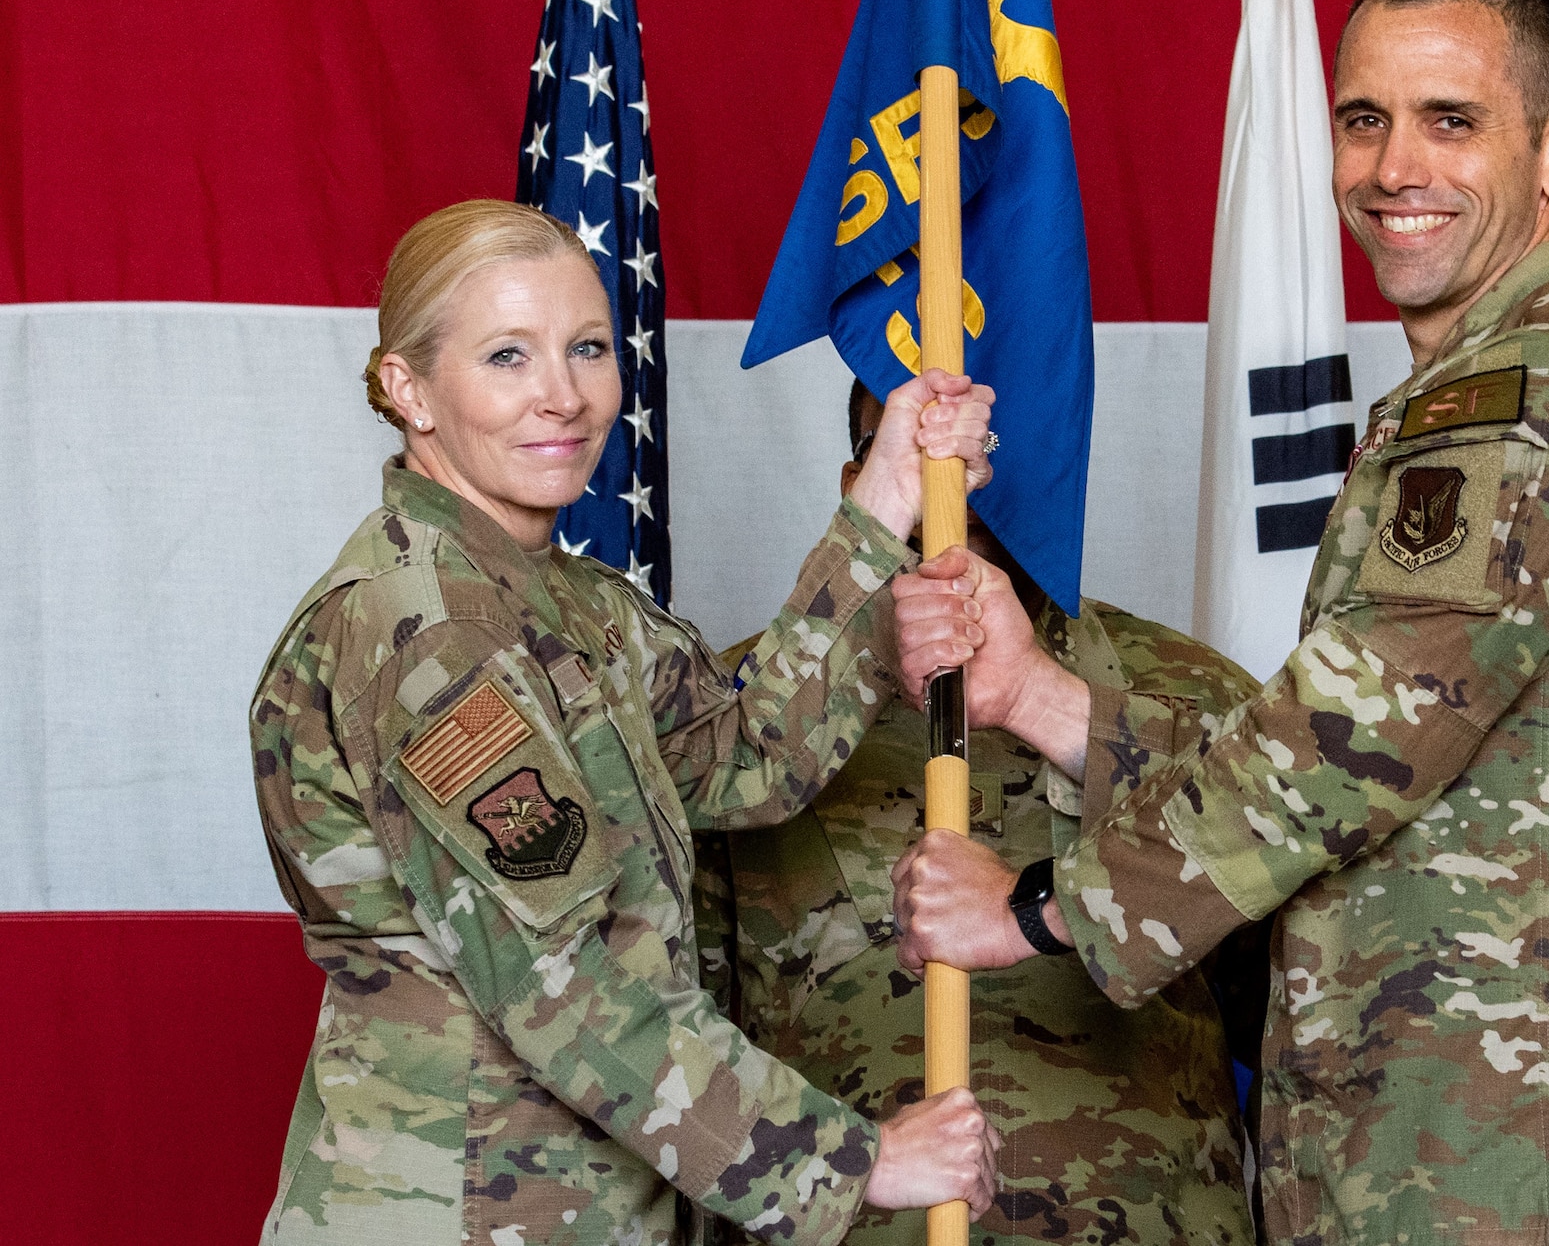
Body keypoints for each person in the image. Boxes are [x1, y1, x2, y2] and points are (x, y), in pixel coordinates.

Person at [888, 0, 1549, 1246]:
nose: (1392, 168)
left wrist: (1037, 904)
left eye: (1451, 120)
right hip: (1437, 1137)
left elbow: (1346, 748)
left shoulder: (1538, 397)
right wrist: (1042, 696)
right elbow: (1410, 776)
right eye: (1364, 119)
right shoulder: (1470, 389)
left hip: (1544, 1155)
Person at [249, 199, 1003, 1246]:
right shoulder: (422, 630)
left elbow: (746, 762)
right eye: (508, 356)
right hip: (457, 1211)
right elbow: (567, 990)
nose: (562, 396)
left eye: (588, 348)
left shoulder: (567, 604)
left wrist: (879, 506)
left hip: (585, 1205)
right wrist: (853, 1163)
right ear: (407, 387)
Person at [691, 383, 1265, 1246]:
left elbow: (1300, 998)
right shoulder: (737, 719)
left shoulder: (1199, 695)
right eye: (917, 439)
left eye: (992, 436)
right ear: (861, 476)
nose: (962, 471)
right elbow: (671, 1049)